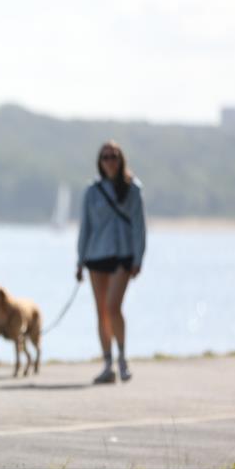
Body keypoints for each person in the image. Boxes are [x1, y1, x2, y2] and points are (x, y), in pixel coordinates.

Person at [76, 141, 147, 384]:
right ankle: (108, 364)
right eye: (105, 157)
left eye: (114, 156)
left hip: (123, 255)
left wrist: (139, 258)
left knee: (113, 306)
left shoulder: (133, 189)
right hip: (96, 256)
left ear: (121, 159)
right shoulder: (92, 191)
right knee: (101, 311)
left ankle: (123, 358)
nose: (110, 161)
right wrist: (79, 260)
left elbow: (139, 226)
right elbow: (85, 227)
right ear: (100, 161)